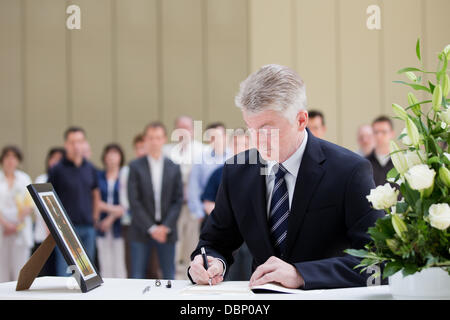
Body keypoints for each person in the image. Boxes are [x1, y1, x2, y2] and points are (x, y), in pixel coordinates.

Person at [188, 64, 385, 290]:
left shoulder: (350, 171)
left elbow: (378, 262)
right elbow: (214, 242)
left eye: (267, 129)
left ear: (301, 120)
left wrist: (302, 275)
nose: (257, 141)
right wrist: (211, 262)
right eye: (250, 129)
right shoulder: (237, 171)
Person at [128, 122, 183, 279]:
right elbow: (134, 201)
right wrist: (152, 228)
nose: (154, 142)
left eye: (158, 138)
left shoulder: (173, 167)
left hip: (167, 231)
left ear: (164, 139)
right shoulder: (135, 166)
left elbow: (177, 200)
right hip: (141, 230)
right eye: (150, 138)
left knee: (169, 276)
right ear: (145, 140)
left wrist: (165, 227)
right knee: (137, 276)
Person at [201, 128, 253, 281]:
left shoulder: (264, 173)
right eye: (237, 144)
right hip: (229, 234)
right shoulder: (220, 172)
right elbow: (208, 203)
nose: (241, 148)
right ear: (230, 146)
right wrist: (227, 218)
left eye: (245, 144)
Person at [48, 127, 100, 276]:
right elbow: (49, 198)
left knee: (86, 273)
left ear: (84, 143)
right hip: (66, 229)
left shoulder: (90, 168)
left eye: (80, 141)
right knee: (65, 272)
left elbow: (96, 194)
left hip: (88, 227)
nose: (76, 145)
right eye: (72, 142)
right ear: (66, 144)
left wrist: (95, 217)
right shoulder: (57, 170)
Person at [163, 116, 206, 274]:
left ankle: (191, 277)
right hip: (173, 207)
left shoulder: (203, 150)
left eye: (187, 128)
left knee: (192, 244)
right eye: (180, 127)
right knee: (174, 246)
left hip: (194, 206)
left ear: (193, 131)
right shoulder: (166, 151)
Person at [187, 122, 230, 231]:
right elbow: (193, 187)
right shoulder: (201, 159)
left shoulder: (235, 157)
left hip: (231, 214)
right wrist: (199, 213)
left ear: (225, 137)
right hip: (208, 213)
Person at [0, 146, 34, 282]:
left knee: (20, 269)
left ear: (18, 161)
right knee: (2, 271)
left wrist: (16, 224)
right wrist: (6, 224)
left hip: (20, 229)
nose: (10, 160)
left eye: (14, 157)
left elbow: (30, 204)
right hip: (2, 229)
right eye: (7, 157)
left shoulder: (24, 179)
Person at [95, 143, 127, 278]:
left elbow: (125, 206)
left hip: (121, 225)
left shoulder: (125, 176)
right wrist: (113, 210)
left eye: (115, 154)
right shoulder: (98, 176)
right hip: (100, 224)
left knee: (120, 263)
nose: (112, 158)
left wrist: (110, 217)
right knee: (104, 262)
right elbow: (96, 201)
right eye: (109, 154)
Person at [118, 133, 148, 277]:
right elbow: (126, 199)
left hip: (151, 225)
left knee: (153, 267)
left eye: (143, 147)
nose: (140, 151)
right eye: (137, 148)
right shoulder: (127, 170)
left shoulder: (155, 168)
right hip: (131, 223)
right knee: (133, 266)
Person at [33, 147, 65, 276]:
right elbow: (37, 206)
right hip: (44, 231)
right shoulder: (42, 179)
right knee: (45, 271)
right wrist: (49, 225)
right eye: (53, 159)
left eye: (59, 160)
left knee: (61, 271)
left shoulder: (65, 180)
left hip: (62, 232)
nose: (55, 162)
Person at [366, 116, 395, 186]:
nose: (379, 136)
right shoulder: (365, 163)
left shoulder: (402, 163)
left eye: (384, 132)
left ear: (392, 134)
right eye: (376, 132)